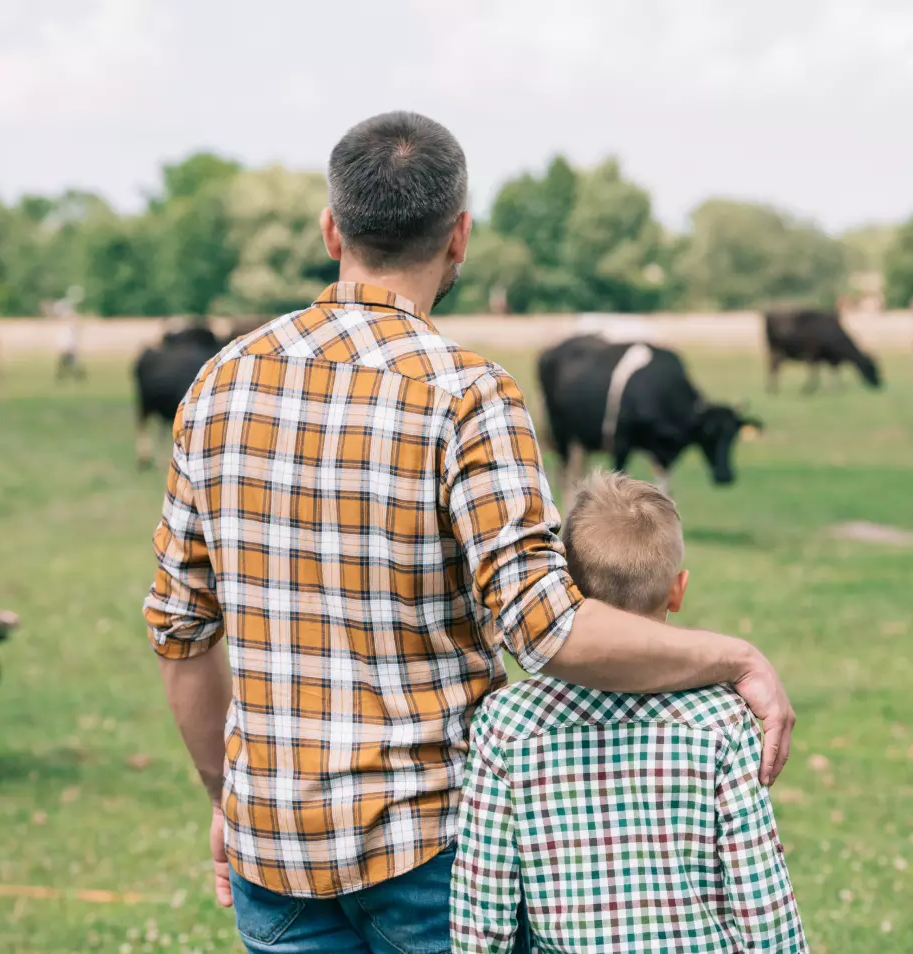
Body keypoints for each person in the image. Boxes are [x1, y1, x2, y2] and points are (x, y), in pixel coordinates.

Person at [144, 111, 795, 954]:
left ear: (331, 228)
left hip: (275, 852)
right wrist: (735, 657)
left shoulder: (218, 385)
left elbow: (179, 632)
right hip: (438, 856)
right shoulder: (469, 395)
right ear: (461, 236)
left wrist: (226, 798)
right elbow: (546, 626)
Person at [451, 472, 808, 952]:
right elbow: (760, 897)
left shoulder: (506, 723)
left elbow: (484, 899)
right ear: (677, 591)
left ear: (567, 590)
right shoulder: (723, 721)